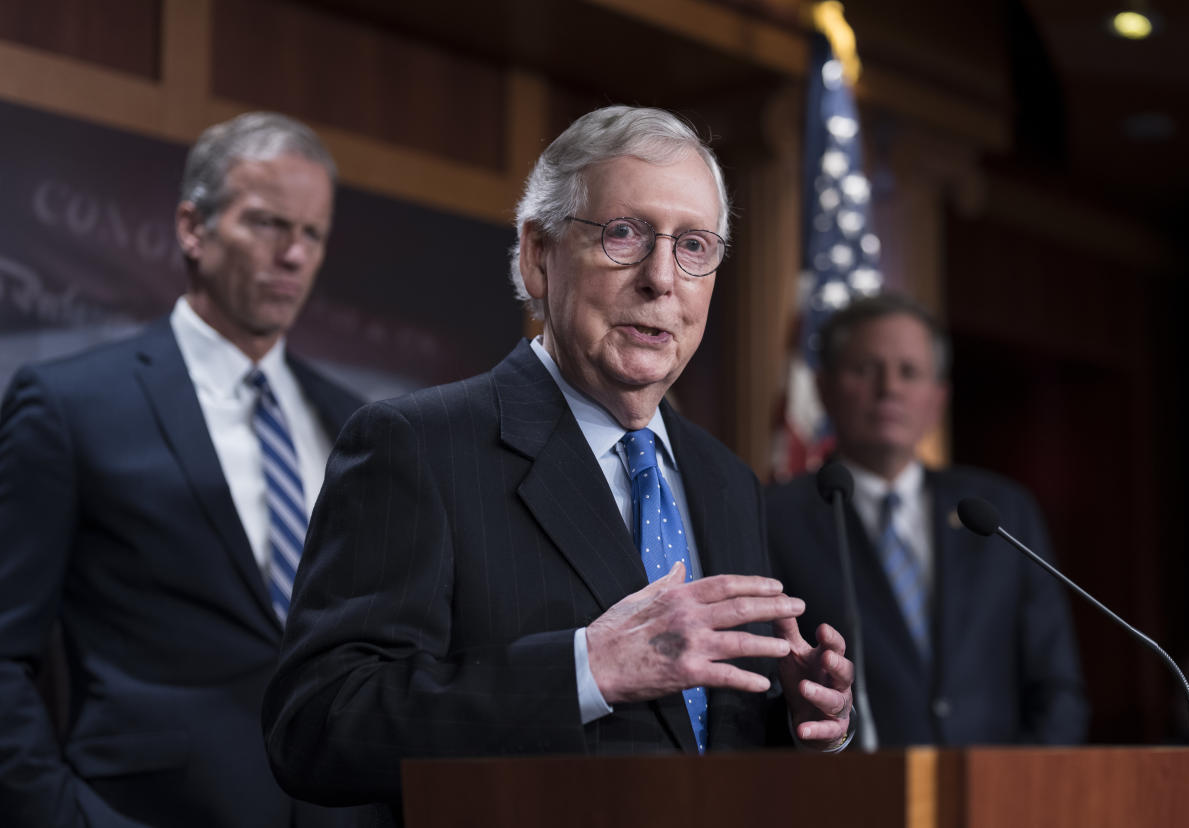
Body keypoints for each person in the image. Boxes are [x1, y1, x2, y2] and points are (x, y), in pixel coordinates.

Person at [262, 105, 855, 823]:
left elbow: (696, 738)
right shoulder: (416, 445)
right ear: (537, 257)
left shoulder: (725, 480)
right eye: (624, 235)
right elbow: (319, 727)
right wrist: (587, 669)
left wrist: (803, 725)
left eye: (694, 246)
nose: (662, 279)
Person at [0, 112, 364, 827]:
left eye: (312, 234)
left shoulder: (359, 423)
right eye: (267, 223)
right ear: (193, 228)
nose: (293, 254)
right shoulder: (71, 405)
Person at [766, 293, 1088, 746]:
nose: (889, 388)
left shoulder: (1001, 510)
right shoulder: (774, 516)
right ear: (823, 388)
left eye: (910, 372)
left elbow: (1057, 688)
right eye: (866, 369)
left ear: (938, 399)